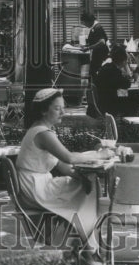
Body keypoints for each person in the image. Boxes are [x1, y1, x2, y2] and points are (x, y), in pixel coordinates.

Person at [16, 88, 111, 254]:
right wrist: (100, 154)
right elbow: (70, 158)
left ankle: (79, 241)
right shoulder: (43, 134)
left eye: (63, 108)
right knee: (87, 194)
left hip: (38, 182)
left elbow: (60, 164)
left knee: (85, 187)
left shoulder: (42, 129)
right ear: (44, 110)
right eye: (57, 108)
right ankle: (84, 245)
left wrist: (79, 176)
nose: (63, 112)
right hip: (35, 187)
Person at [93, 46, 138, 118]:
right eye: (126, 60)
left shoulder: (107, 66)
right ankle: (129, 124)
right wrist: (126, 67)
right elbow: (127, 84)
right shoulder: (114, 71)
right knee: (135, 102)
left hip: (102, 100)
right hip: (109, 104)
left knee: (131, 100)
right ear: (123, 60)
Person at [81, 12, 109, 81]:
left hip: (101, 55)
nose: (84, 24)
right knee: (92, 74)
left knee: (94, 74)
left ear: (89, 21)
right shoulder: (94, 27)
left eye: (84, 23)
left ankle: (95, 90)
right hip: (98, 54)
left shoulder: (97, 27)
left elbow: (102, 42)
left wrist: (88, 48)